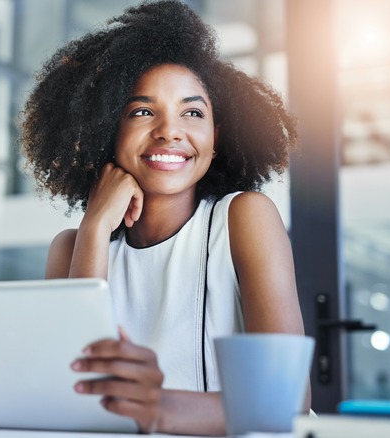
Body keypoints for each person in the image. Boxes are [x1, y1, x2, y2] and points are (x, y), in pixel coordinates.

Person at [19, 0, 307, 435]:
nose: (170, 131)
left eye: (193, 112)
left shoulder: (243, 218)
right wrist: (95, 228)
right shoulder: (72, 247)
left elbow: (288, 401)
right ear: (106, 130)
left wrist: (158, 408)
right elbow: (72, 397)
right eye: (142, 111)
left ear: (215, 137)